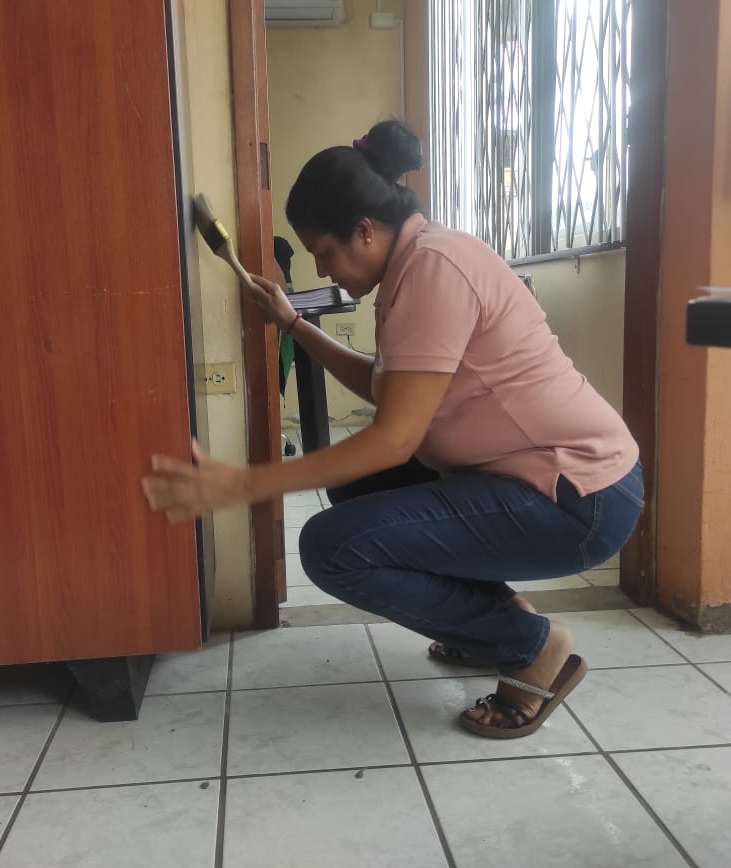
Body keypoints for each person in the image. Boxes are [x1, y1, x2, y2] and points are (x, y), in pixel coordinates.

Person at [143, 120, 643, 739]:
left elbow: (394, 437)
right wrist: (295, 324)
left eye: (324, 251)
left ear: (365, 230)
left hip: (580, 499)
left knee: (333, 548)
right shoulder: (418, 259)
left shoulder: (434, 269)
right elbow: (390, 391)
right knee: (359, 487)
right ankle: (496, 618)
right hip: (534, 482)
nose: (323, 268)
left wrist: (244, 484)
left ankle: (529, 646)